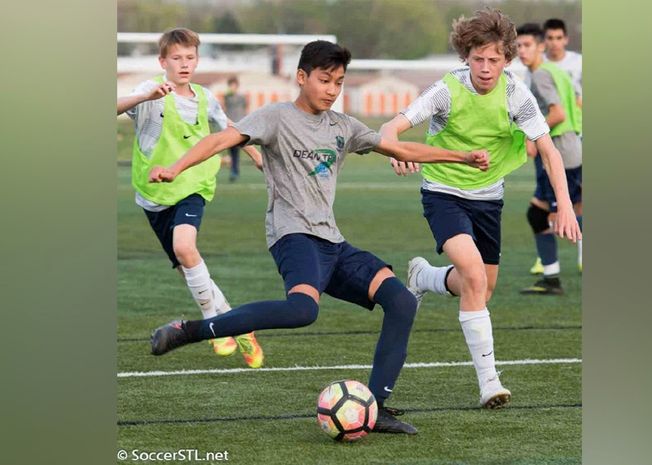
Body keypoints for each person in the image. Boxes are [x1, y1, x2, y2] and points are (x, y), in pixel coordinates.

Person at [148, 40, 490, 435]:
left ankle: (375, 407)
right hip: (293, 236)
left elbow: (397, 145)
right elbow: (220, 140)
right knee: (302, 311)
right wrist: (175, 167)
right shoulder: (276, 118)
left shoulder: (343, 127)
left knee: (399, 301)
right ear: (301, 77)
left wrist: (461, 157)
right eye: (324, 80)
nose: (331, 89)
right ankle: (189, 330)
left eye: (339, 82)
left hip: (333, 242)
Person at [380, 9, 581, 408]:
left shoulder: (515, 94)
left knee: (481, 289)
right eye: (477, 59)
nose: (485, 69)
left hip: (489, 199)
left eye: (494, 60)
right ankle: (490, 381)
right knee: (472, 274)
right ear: (464, 57)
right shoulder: (445, 90)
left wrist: (566, 207)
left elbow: (549, 150)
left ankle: (424, 277)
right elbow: (392, 127)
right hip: (444, 193)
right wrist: (394, 149)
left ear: (507, 60)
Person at [117, 27, 264, 368]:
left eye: (190, 58)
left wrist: (255, 154)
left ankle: (214, 327)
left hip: (193, 184)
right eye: (176, 58)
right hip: (154, 195)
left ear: (196, 60)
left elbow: (227, 125)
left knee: (186, 248)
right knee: (189, 270)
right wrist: (144, 98)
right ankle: (241, 328)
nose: (184, 64)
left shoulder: (204, 96)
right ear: (162, 61)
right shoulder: (149, 90)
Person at [516, 23, 583, 294]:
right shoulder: (553, 70)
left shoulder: (541, 74)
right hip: (570, 149)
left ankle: (552, 278)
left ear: (541, 46)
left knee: (549, 215)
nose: (521, 51)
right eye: (518, 45)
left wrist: (531, 137)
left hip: (559, 154)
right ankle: (551, 278)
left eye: (527, 45)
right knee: (549, 213)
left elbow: (558, 115)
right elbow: (575, 102)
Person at [222, 75, 247, 182]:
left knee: (236, 150)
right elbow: (224, 106)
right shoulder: (227, 96)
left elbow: (244, 109)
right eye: (230, 85)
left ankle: (234, 171)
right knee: (231, 150)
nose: (232, 87)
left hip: (239, 125)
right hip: (229, 126)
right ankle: (233, 170)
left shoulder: (241, 97)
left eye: (234, 85)